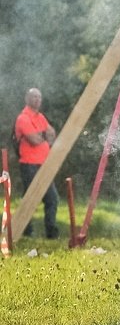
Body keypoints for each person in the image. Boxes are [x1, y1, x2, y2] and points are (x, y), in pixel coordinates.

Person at [13, 88, 58, 239]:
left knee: (52, 198)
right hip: (29, 165)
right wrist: (42, 136)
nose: (37, 100)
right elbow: (33, 140)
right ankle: (26, 231)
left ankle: (51, 234)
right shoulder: (23, 118)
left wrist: (42, 136)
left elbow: (52, 133)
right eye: (34, 97)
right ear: (27, 98)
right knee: (30, 200)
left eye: (39, 97)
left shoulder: (41, 117)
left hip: (44, 165)